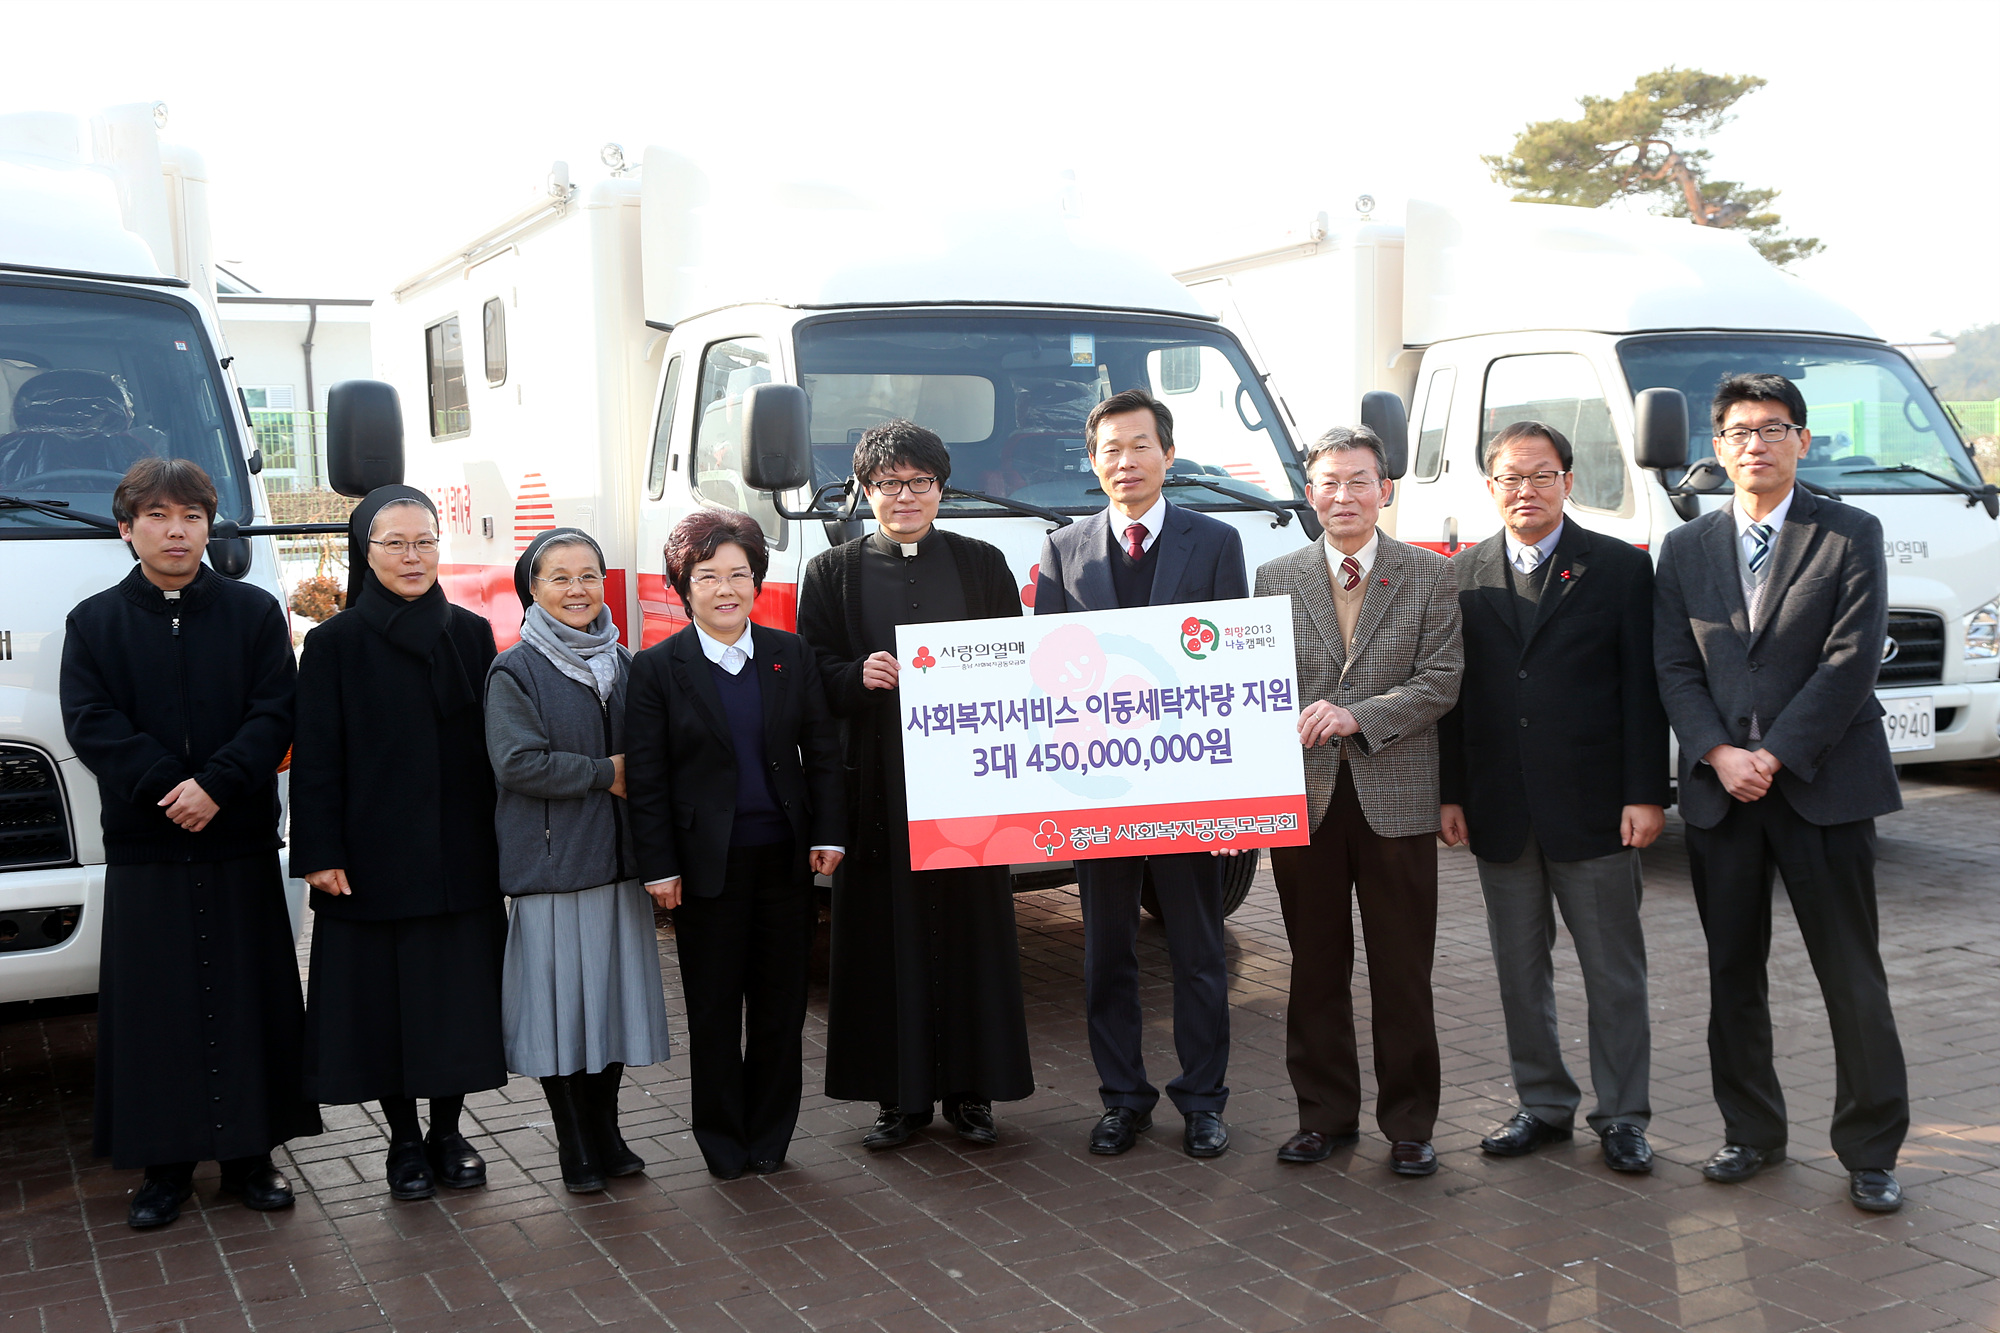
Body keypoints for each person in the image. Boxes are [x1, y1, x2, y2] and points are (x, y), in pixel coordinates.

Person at [1655, 373, 1909, 1213]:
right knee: (1734, 974)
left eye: (1772, 427)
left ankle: (1871, 1150)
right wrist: (1721, 752)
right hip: (1723, 795)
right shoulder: (1684, 547)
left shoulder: (1850, 532)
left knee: (1852, 975)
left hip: (1824, 787)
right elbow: (1676, 666)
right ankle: (1751, 1132)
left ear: (1802, 439)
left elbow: (1852, 659)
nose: (1754, 442)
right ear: (1718, 448)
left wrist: (1777, 754)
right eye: (1736, 430)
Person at [59, 458, 320, 1229]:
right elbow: (92, 722)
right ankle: (165, 1166)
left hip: (234, 836)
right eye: (160, 516)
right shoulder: (93, 622)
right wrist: (169, 786)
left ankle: (251, 1156)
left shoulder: (252, 612)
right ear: (126, 527)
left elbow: (275, 709)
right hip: (148, 844)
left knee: (250, 1001)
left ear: (211, 527)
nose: (178, 531)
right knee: (156, 1010)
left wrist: (218, 783)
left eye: (194, 517)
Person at [1437, 421, 1669, 1174]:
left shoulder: (1618, 569)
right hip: (1500, 808)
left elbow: (1644, 691)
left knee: (1614, 971)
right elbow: (1453, 698)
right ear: (1491, 487)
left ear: (1569, 480)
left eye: (1541, 475)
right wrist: (1452, 793)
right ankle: (1542, 1102)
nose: (1526, 490)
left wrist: (1646, 793)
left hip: (1597, 806)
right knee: (1518, 969)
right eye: (1510, 477)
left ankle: (1624, 1115)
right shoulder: (1463, 575)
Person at [797, 421, 1034, 1151]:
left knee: (973, 934)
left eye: (920, 482)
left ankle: (972, 1093)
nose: (906, 497)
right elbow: (810, 673)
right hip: (878, 783)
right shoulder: (831, 572)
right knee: (883, 939)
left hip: (967, 785)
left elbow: (1016, 663)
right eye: (890, 484)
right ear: (866, 491)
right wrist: (854, 674)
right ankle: (898, 1100)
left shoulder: (983, 563)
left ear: (941, 488)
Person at [1033, 387, 1247, 1159]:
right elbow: (1047, 677)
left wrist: (1228, 803)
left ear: (1168, 454)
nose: (1126, 461)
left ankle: (1204, 1098)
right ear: (1093, 464)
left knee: (1198, 950)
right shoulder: (1063, 549)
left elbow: (1229, 674)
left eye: (1140, 445)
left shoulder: (1216, 542)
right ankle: (1123, 1096)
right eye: (1110, 450)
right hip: (1103, 789)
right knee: (1106, 951)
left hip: (1187, 790)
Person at [289, 486, 508, 1202]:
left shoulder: (471, 634)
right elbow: (317, 755)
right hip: (371, 859)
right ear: (366, 551)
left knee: (456, 1004)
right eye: (395, 543)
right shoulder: (332, 643)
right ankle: (404, 1140)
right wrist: (318, 850)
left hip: (459, 857)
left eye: (425, 541)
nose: (413, 557)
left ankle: (449, 1130)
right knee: (384, 1009)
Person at [1253, 426, 1461, 1176]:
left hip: (1394, 797)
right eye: (1329, 483)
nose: (1343, 496)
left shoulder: (1430, 575)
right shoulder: (1275, 578)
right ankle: (1323, 1116)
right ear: (1310, 495)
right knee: (1313, 965)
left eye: (1358, 481)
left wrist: (1359, 716)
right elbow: (1255, 687)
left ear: (1386, 490)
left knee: (1402, 968)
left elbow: (1441, 680)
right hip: (1305, 799)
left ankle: (1410, 1123)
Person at [626, 510, 845, 1180]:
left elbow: (823, 752)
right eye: (708, 575)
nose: (726, 588)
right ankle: (722, 1139)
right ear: (683, 586)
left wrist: (829, 830)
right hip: (703, 869)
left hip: (784, 856)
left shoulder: (790, 653)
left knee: (780, 1008)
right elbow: (649, 777)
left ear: (757, 580)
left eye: (739, 573)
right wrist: (658, 865)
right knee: (715, 1010)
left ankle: (770, 1133)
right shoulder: (658, 668)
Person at [487, 528, 671, 1193]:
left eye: (588, 575)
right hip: (553, 870)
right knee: (559, 1016)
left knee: (611, 1012)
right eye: (558, 577)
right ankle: (574, 1143)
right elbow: (515, 762)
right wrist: (603, 772)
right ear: (533, 589)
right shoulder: (516, 668)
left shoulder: (627, 663)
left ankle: (609, 1131)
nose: (576, 589)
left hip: (619, 867)